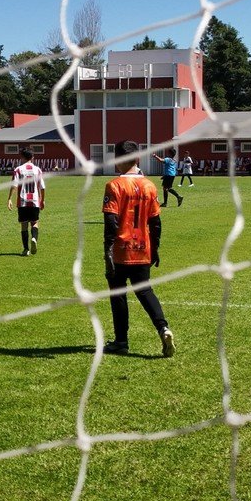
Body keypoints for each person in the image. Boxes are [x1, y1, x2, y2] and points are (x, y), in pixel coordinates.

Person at [102, 138, 175, 357]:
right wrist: (156, 248)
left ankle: (121, 341)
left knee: (118, 294)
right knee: (145, 290)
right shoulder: (149, 185)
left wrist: (108, 253)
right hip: (143, 247)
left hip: (122, 250)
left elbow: (111, 223)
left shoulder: (114, 185)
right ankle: (163, 328)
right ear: (137, 159)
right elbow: (156, 222)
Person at [7, 153, 46, 256]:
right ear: (32, 157)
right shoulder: (37, 170)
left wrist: (10, 198)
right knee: (35, 222)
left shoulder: (18, 169)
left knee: (24, 225)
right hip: (34, 200)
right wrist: (42, 200)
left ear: (22, 157)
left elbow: (14, 185)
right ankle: (34, 238)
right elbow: (42, 187)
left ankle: (26, 249)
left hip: (22, 201)